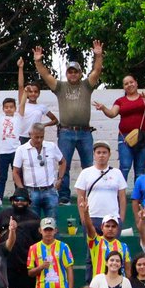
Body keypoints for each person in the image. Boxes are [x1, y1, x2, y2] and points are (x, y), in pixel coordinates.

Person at [32, 41, 103, 204]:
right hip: (66, 132)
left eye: (75, 72)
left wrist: (98, 55)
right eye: (70, 72)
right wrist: (38, 62)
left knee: (89, 166)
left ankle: (90, 195)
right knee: (65, 164)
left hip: (85, 132)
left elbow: (97, 70)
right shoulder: (60, 87)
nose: (72, 74)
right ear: (67, 74)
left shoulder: (87, 85)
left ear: (80, 73)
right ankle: (64, 195)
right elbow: (46, 76)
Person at [93, 73, 145, 185]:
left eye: (131, 82)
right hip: (125, 137)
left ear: (136, 83)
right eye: (126, 84)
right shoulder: (120, 101)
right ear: (124, 87)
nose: (129, 85)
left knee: (140, 169)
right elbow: (112, 113)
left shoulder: (144, 97)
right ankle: (119, 197)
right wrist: (103, 108)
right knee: (125, 167)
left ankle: (138, 198)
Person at [0, 188, 43, 288]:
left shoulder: (35, 218)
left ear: (28, 202)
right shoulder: (3, 215)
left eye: (23, 200)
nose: (19, 202)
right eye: (17, 199)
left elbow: (39, 242)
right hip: (7, 266)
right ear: (12, 201)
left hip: (26, 267)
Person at [11, 123, 64, 224]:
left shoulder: (51, 146)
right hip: (31, 191)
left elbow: (63, 162)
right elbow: (15, 172)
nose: (39, 140)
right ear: (30, 134)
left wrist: (60, 179)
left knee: (53, 223)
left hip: (50, 189)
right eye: (36, 137)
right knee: (32, 223)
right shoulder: (21, 149)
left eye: (41, 137)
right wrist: (22, 190)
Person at [0, 76, 26, 206]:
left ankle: (18, 197)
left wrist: (25, 92)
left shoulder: (19, 117)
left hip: (15, 151)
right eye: (6, 107)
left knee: (17, 176)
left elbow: (23, 103)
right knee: (2, 176)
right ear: (3, 109)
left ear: (15, 108)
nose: (8, 109)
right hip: (3, 152)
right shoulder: (0, 117)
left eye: (11, 107)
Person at [27, 218, 74, 288]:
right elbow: (30, 272)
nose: (48, 232)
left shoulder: (63, 247)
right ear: (40, 230)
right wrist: (41, 267)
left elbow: (69, 269)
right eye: (46, 230)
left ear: (55, 230)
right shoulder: (33, 248)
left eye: (50, 230)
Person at [75, 140, 128, 232]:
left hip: (112, 218)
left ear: (109, 155)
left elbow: (122, 197)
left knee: (112, 246)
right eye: (98, 152)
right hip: (92, 217)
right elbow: (80, 197)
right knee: (92, 246)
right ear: (94, 154)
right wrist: (84, 219)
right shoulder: (86, 172)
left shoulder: (117, 173)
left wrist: (121, 218)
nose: (101, 155)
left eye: (104, 152)